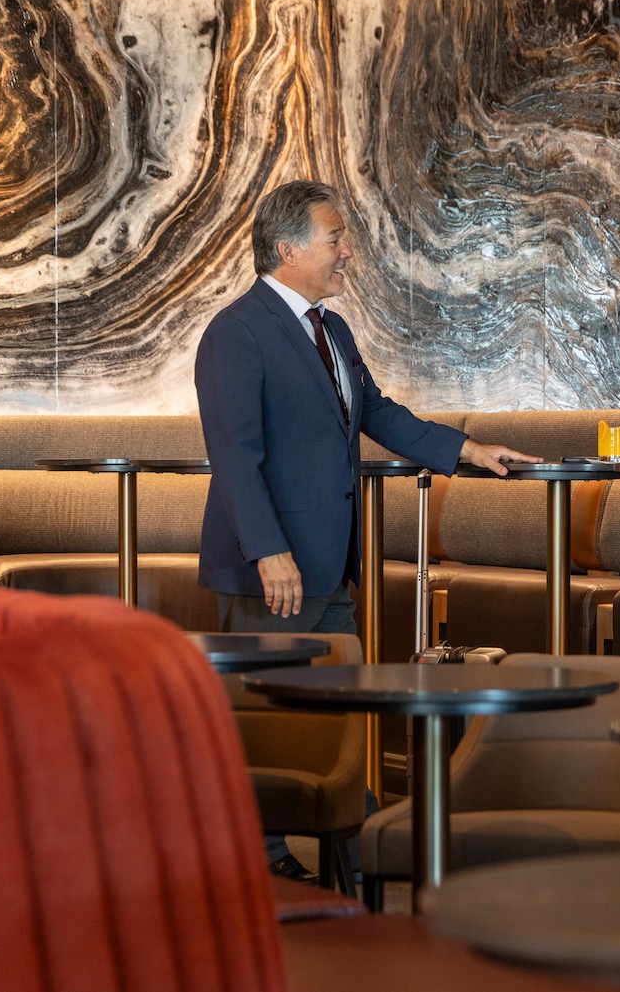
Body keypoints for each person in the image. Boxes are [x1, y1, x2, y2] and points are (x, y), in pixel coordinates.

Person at [195, 179, 539, 880]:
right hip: (277, 572)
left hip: (333, 563)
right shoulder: (236, 332)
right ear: (289, 248)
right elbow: (235, 456)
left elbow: (377, 412)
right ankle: (268, 862)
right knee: (271, 716)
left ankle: (360, 850)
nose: (347, 251)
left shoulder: (333, 329)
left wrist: (465, 450)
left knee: (338, 713)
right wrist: (268, 551)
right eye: (335, 239)